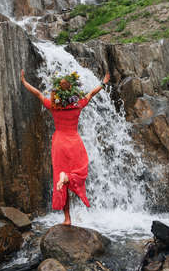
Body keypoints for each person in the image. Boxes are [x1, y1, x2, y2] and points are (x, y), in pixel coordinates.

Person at [21, 69, 110, 225]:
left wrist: (24, 82)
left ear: (58, 92)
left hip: (59, 144)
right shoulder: (78, 105)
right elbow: (91, 93)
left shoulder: (54, 106)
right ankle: (68, 178)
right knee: (81, 171)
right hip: (74, 143)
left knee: (60, 180)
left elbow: (38, 94)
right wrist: (103, 83)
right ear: (72, 91)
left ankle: (67, 218)